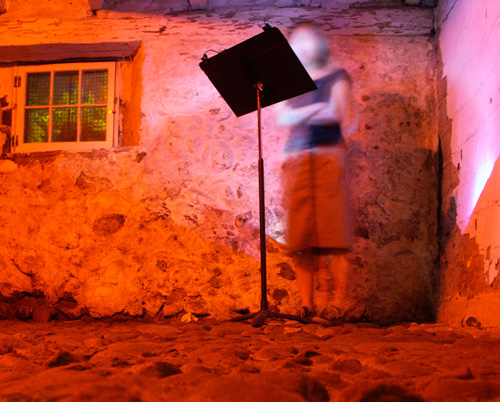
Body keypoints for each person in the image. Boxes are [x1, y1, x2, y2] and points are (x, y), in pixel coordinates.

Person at [275, 22, 353, 325]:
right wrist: (314, 108)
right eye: (297, 41)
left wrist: (301, 112)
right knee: (301, 236)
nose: (303, 46)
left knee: (335, 233)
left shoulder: (337, 76)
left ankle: (338, 304)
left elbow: (335, 113)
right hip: (296, 159)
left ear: (320, 44)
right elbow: (282, 117)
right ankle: (307, 306)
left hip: (329, 154)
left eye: (308, 40)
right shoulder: (288, 82)